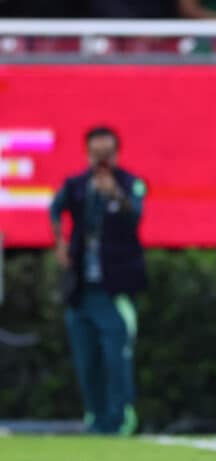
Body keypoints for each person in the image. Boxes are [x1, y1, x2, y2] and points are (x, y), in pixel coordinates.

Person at [49, 126, 146, 435]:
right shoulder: (77, 185)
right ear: (88, 153)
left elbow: (136, 216)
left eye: (108, 153)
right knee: (86, 358)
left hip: (114, 289)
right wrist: (60, 243)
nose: (102, 159)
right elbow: (55, 208)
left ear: (116, 153)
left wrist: (114, 193)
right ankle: (96, 416)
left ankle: (120, 417)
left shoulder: (130, 183)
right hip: (81, 289)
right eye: (96, 153)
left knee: (116, 357)